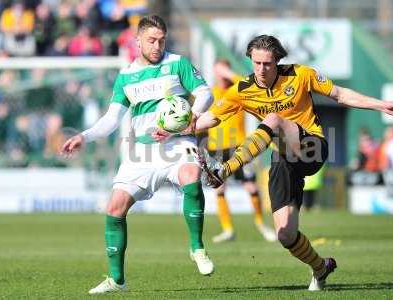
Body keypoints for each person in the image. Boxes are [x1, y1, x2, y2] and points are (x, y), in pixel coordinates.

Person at [194, 35, 393, 291]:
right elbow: (208, 119)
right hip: (284, 159)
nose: (261, 69)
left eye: (267, 63)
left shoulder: (301, 74)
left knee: (274, 119)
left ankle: (224, 170)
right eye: (256, 63)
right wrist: (173, 130)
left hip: (311, 146)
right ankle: (321, 268)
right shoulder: (241, 91)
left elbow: (340, 94)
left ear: (277, 61)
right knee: (285, 235)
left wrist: (380, 105)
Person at [61, 15, 214, 294]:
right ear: (138, 41)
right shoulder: (126, 76)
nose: (157, 46)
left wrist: (189, 118)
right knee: (114, 208)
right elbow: (111, 118)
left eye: (161, 40)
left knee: (191, 175)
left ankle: (197, 248)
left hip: (177, 142)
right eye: (151, 40)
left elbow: (205, 94)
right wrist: (84, 136)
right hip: (141, 151)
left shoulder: (177, 63)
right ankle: (117, 280)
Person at [207, 59, 276, 243]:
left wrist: (227, 72)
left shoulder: (238, 89)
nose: (219, 75)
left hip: (240, 146)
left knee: (251, 186)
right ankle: (228, 229)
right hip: (216, 148)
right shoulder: (211, 92)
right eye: (217, 72)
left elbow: (248, 83)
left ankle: (261, 225)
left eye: (222, 71)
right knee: (219, 189)